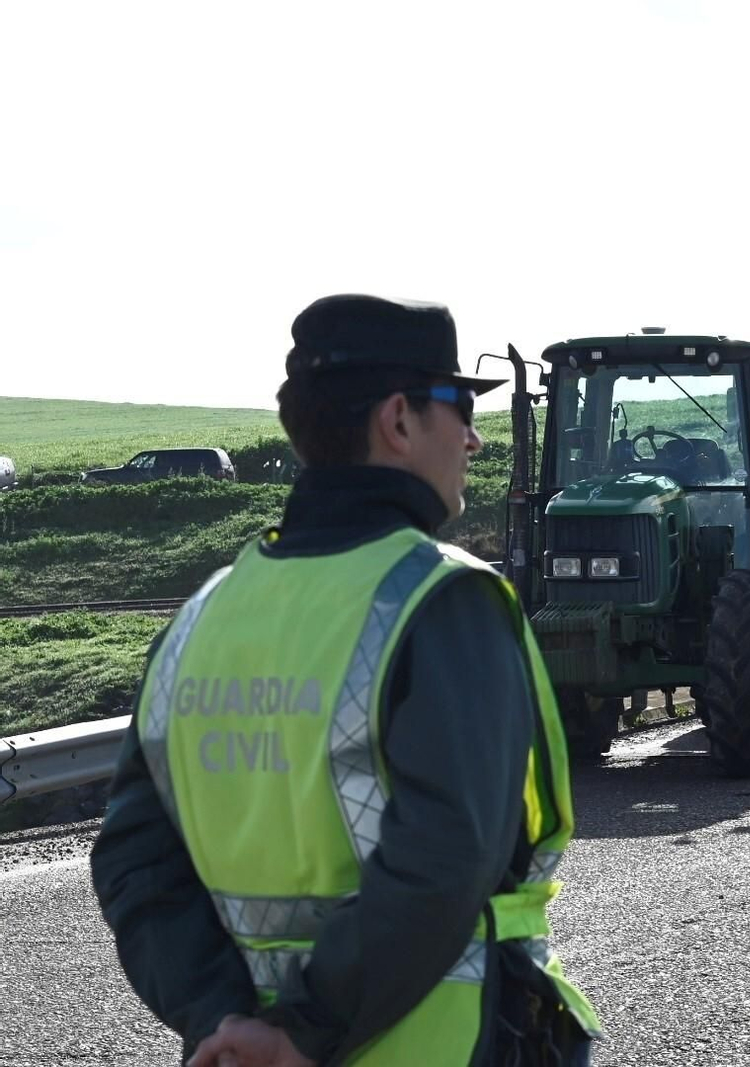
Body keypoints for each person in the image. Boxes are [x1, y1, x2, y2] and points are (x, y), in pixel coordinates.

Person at [90, 295, 602, 1067]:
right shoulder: (443, 601)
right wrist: (304, 1028)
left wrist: (224, 1016)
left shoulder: (201, 619)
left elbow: (134, 857)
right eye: (460, 407)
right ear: (398, 420)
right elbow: (445, 855)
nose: (474, 437)